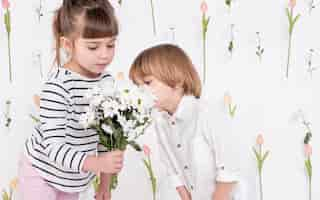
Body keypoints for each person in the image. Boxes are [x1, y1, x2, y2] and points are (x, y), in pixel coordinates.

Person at [18, 0, 123, 199]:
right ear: (68, 44)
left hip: (72, 177)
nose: (104, 55)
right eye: (93, 47)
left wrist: (105, 184)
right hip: (41, 172)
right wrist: (97, 163)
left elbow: (106, 136)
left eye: (110, 45)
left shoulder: (107, 82)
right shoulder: (59, 86)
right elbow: (55, 148)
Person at [129, 44, 241, 200]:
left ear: (177, 81)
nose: (141, 91)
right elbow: (174, 170)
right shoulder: (161, 123)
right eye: (138, 86)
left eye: (148, 83)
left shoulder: (208, 114)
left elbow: (229, 170)